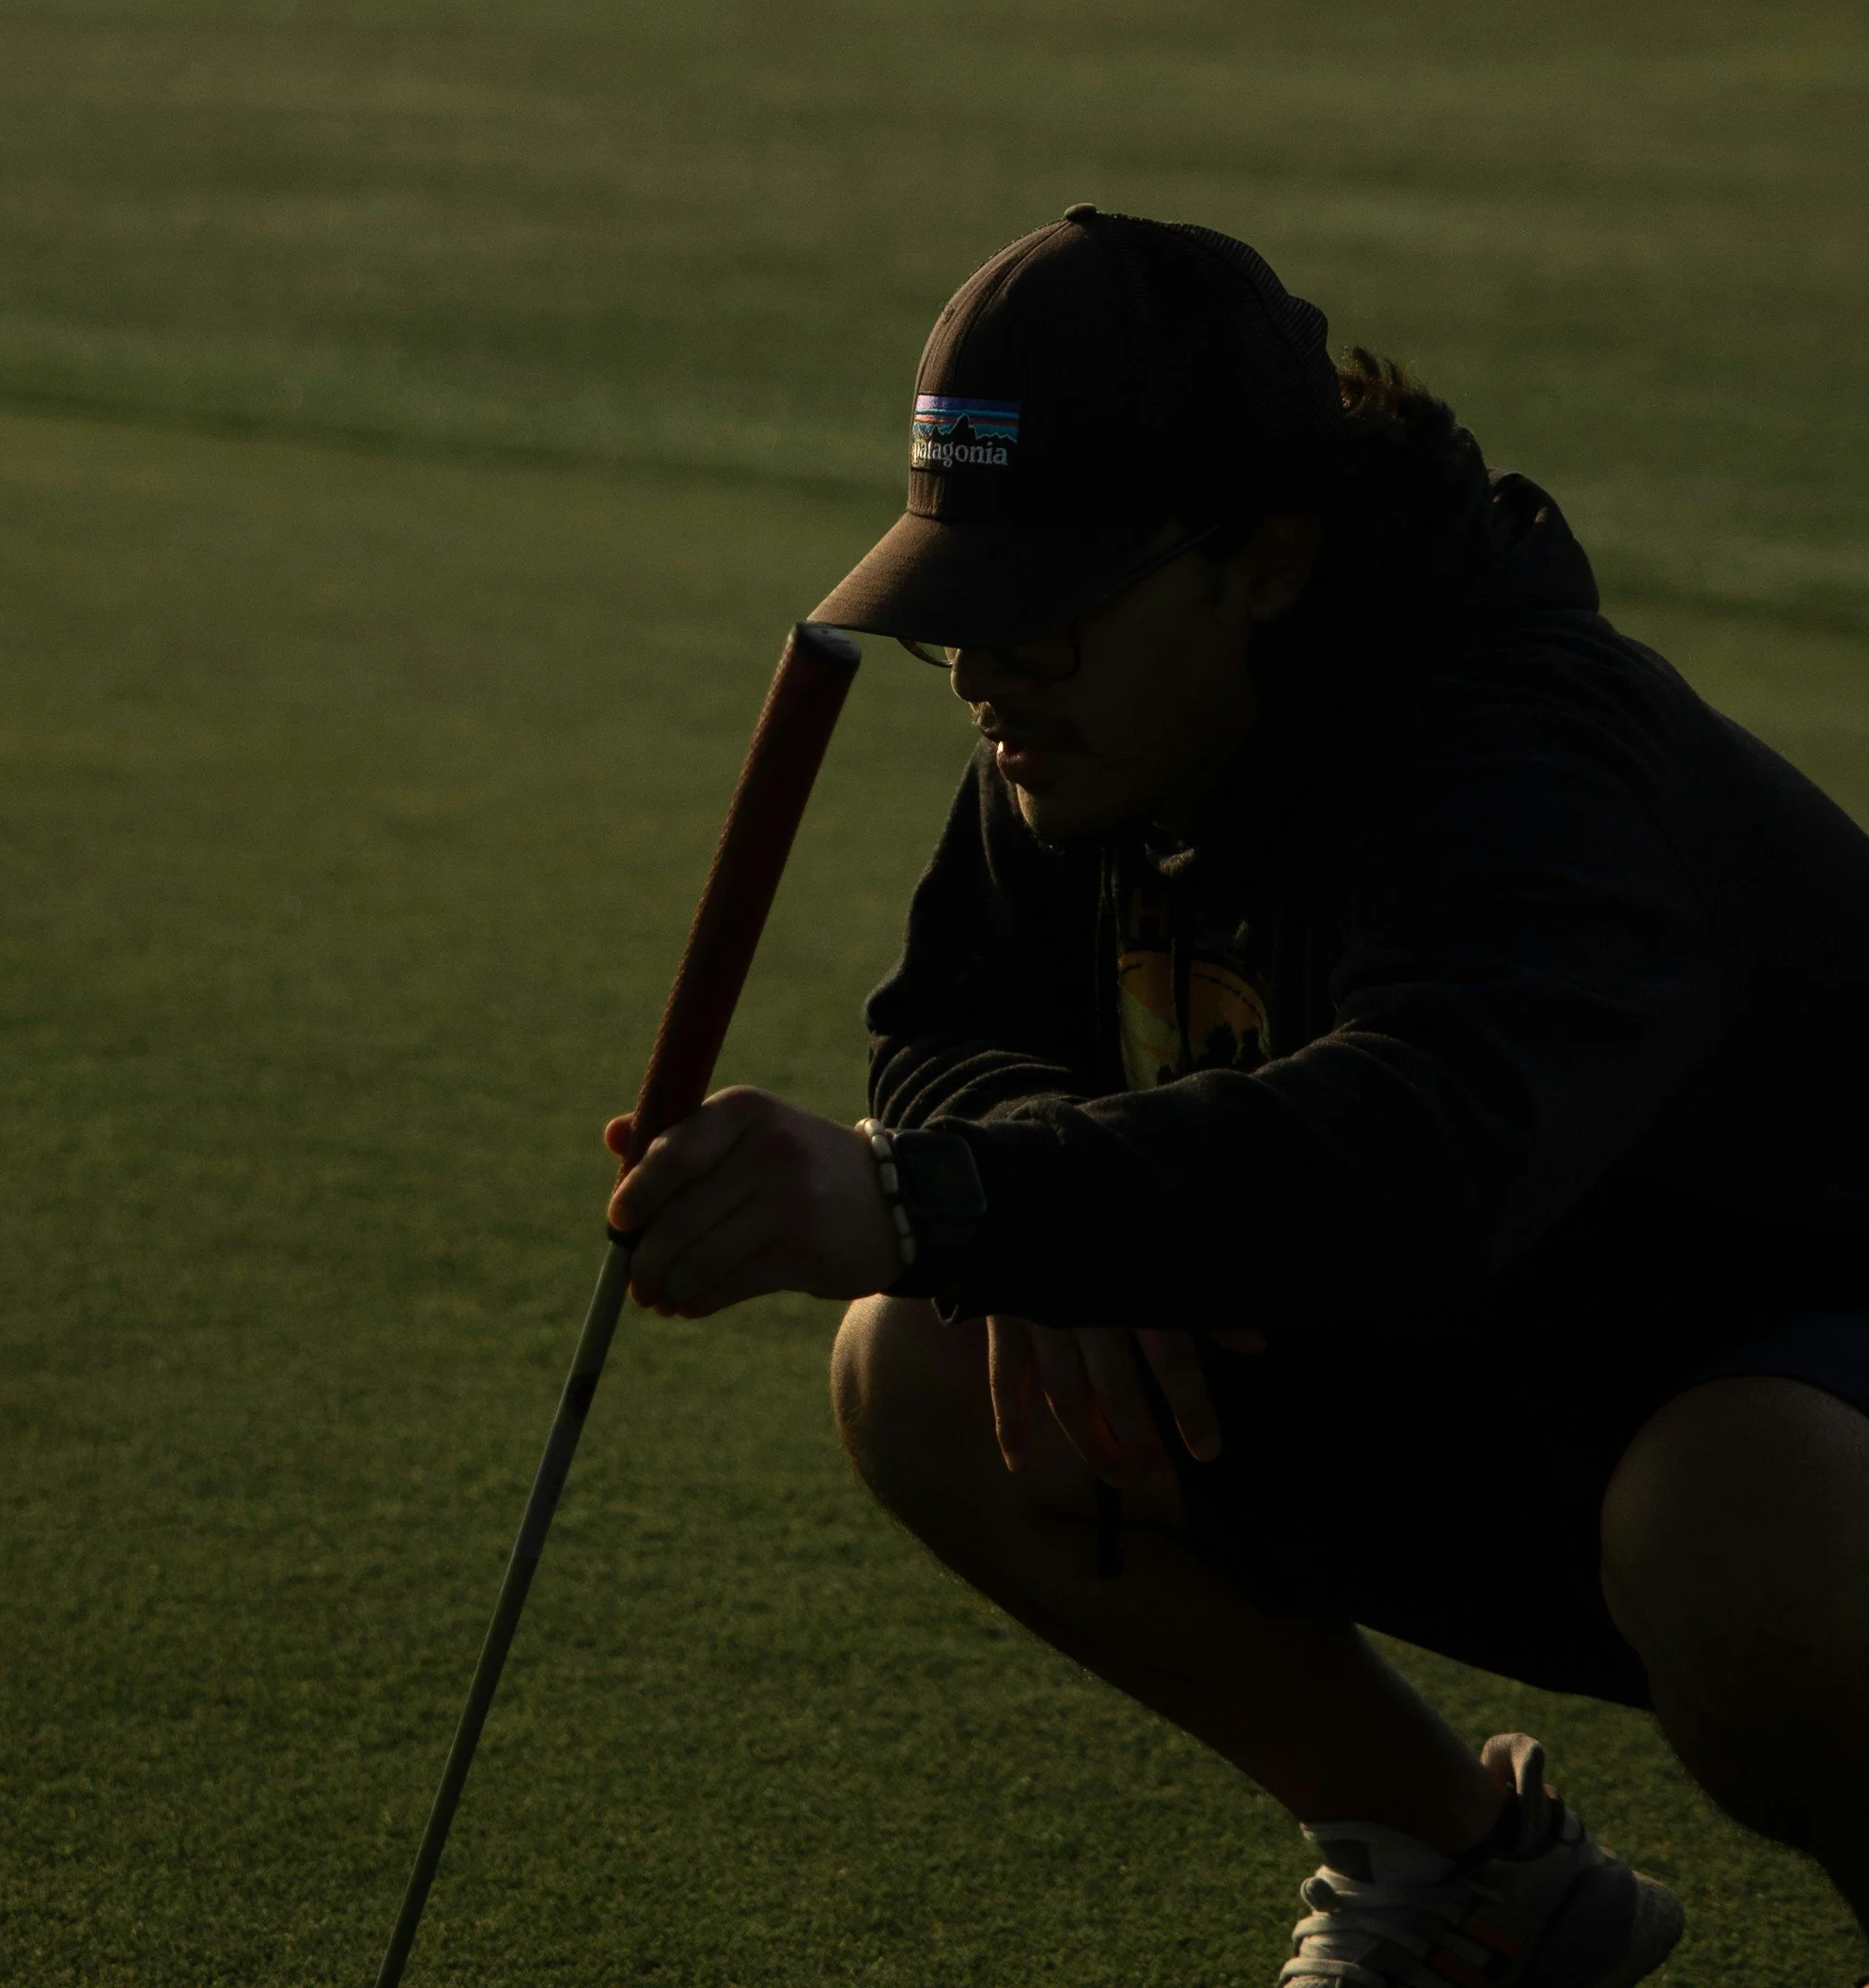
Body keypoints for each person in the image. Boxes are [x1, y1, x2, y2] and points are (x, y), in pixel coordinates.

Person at [605, 207, 1869, 1988]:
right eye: (957, 618)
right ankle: (1467, 1878)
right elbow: (952, 1028)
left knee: (1739, 1516)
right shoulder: (1098, 726)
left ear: (1266, 561)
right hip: (1543, 1396)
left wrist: (944, 1198)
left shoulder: (1523, 750)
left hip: (1789, 1405)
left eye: (1037, 620)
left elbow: (1422, 1153)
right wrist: (1023, 1211)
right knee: (922, 1358)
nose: (980, 677)